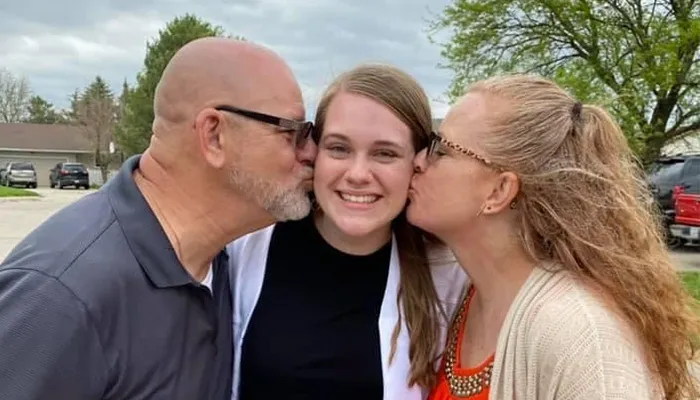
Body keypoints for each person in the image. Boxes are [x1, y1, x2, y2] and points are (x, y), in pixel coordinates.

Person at [0, 37, 317, 400]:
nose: (311, 152)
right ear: (214, 135)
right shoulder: (61, 295)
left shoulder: (222, 264)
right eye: (293, 132)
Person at [407, 73, 700, 400]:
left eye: (441, 150)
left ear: (499, 190)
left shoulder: (584, 338)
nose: (418, 161)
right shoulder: (467, 293)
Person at [227, 63, 467, 400]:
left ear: (417, 163)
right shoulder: (245, 246)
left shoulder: (448, 275)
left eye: (385, 153)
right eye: (339, 148)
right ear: (315, 152)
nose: (357, 174)